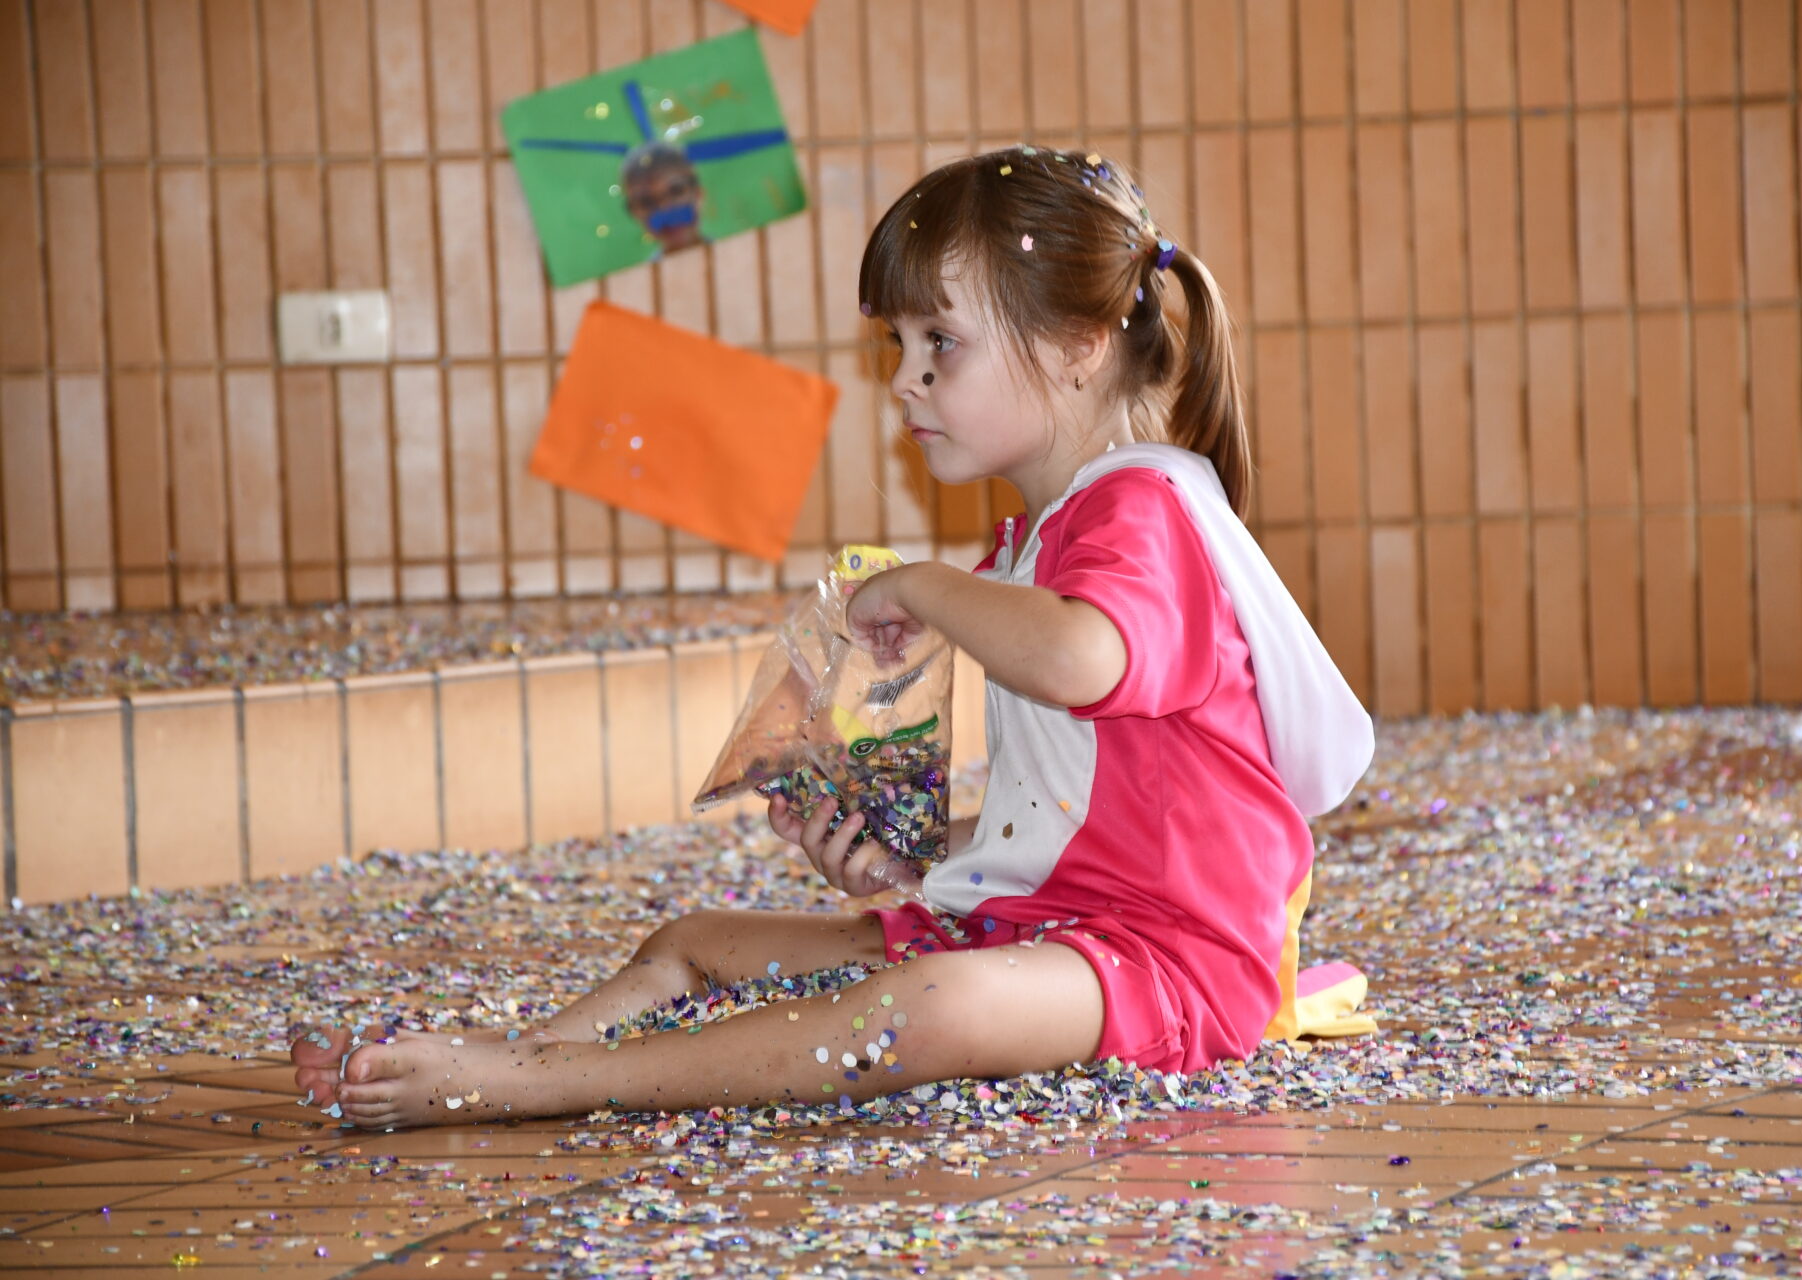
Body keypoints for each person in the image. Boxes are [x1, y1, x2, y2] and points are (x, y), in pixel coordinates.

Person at [291, 146, 1375, 1130]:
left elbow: (1083, 659)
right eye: (895, 344)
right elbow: (1082, 809)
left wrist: (927, 583)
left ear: (1081, 345)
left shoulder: (1142, 507)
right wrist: (920, 851)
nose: (904, 378)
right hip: (1052, 925)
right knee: (691, 942)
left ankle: (525, 1084)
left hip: (1168, 960)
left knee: (924, 1008)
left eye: (940, 342)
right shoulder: (1035, 541)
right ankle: (508, 1055)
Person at [621, 141, 706, 254]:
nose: (665, 208)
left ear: (698, 193)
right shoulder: (642, 272)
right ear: (634, 213)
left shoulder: (734, 255)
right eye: (647, 202)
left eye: (675, 191)